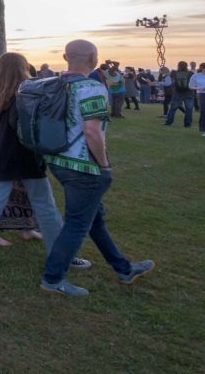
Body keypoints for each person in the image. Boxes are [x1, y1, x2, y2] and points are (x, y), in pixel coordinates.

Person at [39, 39, 154, 296]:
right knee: (78, 224)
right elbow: (92, 131)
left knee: (94, 218)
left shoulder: (54, 83)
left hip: (58, 160)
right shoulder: (92, 87)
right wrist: (104, 166)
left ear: (66, 56)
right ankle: (53, 278)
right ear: (93, 57)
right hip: (84, 167)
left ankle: (123, 268)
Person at [0, 53, 65, 264]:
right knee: (44, 204)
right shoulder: (24, 96)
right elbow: (25, 130)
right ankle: (62, 251)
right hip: (23, 157)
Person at [164, 61, 194, 128]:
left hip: (177, 93)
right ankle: (187, 124)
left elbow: (171, 82)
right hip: (189, 93)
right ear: (186, 66)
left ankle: (168, 122)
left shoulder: (174, 73)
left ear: (178, 66)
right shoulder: (191, 73)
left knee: (172, 109)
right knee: (189, 109)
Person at [189, 62, 205, 137]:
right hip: (202, 95)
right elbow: (190, 86)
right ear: (202, 68)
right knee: (204, 112)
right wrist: (198, 88)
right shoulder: (195, 76)